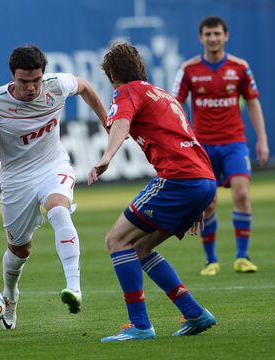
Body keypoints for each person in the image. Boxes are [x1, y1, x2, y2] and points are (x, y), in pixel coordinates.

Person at [0, 44, 108, 330]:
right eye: (24, 82)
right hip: (17, 179)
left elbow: (84, 87)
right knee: (20, 251)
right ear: (13, 78)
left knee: (59, 209)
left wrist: (107, 121)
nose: (32, 88)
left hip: (53, 165)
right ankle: (10, 294)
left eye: (36, 81)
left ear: (43, 75)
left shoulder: (57, 85)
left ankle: (74, 287)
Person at [89, 42, 217, 342]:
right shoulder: (161, 94)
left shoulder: (127, 91)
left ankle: (140, 325)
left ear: (112, 75)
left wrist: (107, 156)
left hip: (178, 178)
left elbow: (121, 124)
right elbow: (188, 136)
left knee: (116, 240)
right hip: (202, 178)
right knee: (141, 247)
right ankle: (194, 313)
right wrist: (199, 201)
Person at [172, 16, 269, 275]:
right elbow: (173, 105)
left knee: (242, 194)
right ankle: (211, 260)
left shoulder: (239, 68)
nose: (213, 38)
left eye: (217, 34)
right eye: (208, 34)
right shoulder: (189, 70)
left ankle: (242, 257)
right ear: (200, 38)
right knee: (209, 203)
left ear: (226, 36)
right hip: (202, 146)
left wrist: (262, 138)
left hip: (234, 142)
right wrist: (182, 138)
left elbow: (252, 102)